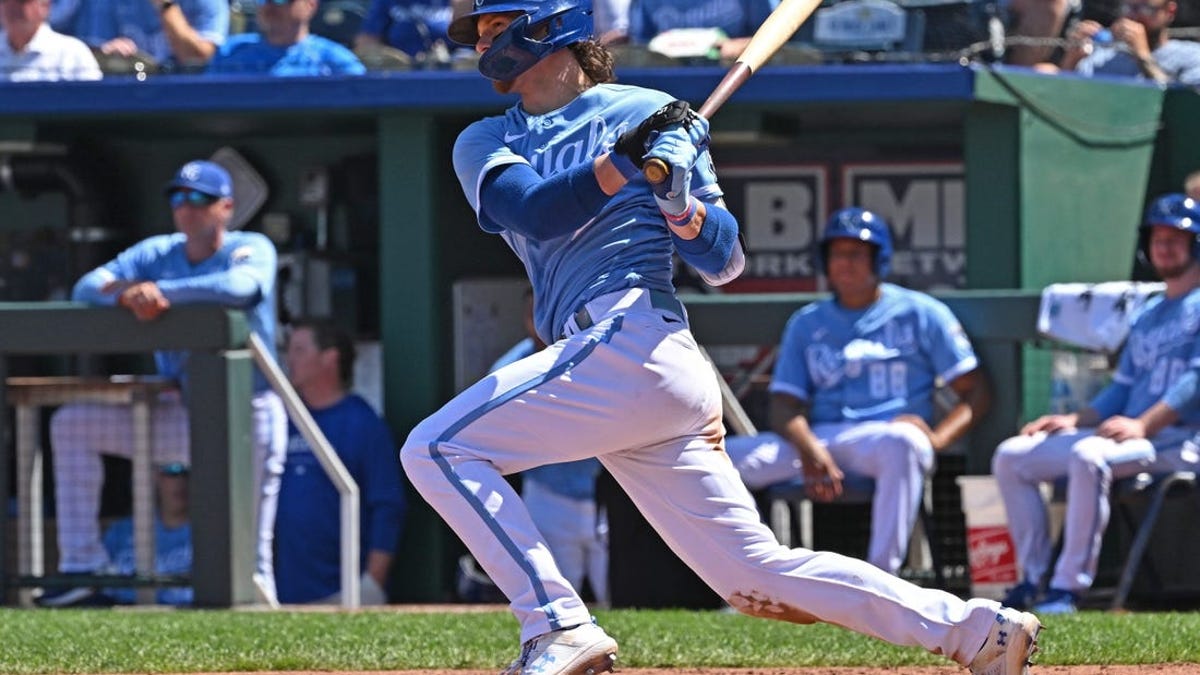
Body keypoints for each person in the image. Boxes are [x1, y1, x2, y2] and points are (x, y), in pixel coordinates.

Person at [399, 1, 1040, 674]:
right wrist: (625, 162)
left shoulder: (649, 109)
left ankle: (555, 621)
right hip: (618, 369)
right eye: (482, 34)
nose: (484, 44)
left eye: (499, 26)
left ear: (549, 25)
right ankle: (975, 630)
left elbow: (725, 260)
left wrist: (680, 202)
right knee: (754, 576)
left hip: (633, 336)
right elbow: (530, 210)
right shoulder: (486, 137)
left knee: (436, 447)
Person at [39, 159, 287, 608]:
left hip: (246, 411)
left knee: (251, 557)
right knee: (72, 424)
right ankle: (83, 567)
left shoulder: (251, 246)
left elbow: (241, 288)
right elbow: (86, 288)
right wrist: (128, 293)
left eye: (200, 199)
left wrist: (161, 294)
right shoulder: (158, 253)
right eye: (178, 198)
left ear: (226, 207)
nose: (187, 208)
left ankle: (256, 626)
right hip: (182, 409)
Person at [725, 207, 992, 577]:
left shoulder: (921, 313)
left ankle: (881, 580)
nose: (844, 263)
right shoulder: (807, 322)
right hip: (820, 439)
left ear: (878, 258)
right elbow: (784, 406)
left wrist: (936, 440)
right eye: (837, 253)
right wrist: (811, 451)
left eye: (855, 254)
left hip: (882, 438)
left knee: (906, 444)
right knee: (720, 459)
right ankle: (743, 578)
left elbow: (975, 390)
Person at [993, 193, 1200, 615]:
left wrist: (1144, 424)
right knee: (1012, 456)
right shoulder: (1150, 311)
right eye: (1158, 237)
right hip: (1133, 437)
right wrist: (1073, 418)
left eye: (1177, 238)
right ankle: (1033, 580)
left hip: (1180, 439)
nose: (1165, 246)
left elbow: (1195, 382)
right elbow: (1120, 389)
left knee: (1090, 456)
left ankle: (1067, 590)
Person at [274, 318, 406, 605]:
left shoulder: (363, 423)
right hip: (281, 594)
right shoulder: (280, 420)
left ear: (330, 358)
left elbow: (388, 506)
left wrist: (371, 583)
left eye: (299, 350)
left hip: (343, 592)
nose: (288, 359)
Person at [488, 292, 608, 605]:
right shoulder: (510, 367)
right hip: (548, 495)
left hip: (607, 492)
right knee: (556, 602)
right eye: (533, 313)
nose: (539, 321)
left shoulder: (599, 349)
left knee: (622, 598)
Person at [100, 462, 194, 606]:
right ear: (155, 477)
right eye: (172, 471)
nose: (181, 481)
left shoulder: (212, 534)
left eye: (187, 473)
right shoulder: (120, 532)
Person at [1046, 0, 1200, 84]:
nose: (1136, 17)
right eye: (1130, 8)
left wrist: (1142, 56)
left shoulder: (1192, 55)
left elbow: (1181, 104)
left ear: (1169, 12)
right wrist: (1071, 60)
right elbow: (1064, 99)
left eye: (1146, 9)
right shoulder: (1102, 57)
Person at [206, 0, 365, 75]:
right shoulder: (229, 54)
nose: (269, 5)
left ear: (310, 5)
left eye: (280, 0)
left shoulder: (335, 61)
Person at [73, 0, 229, 69]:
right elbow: (89, 57)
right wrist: (107, 54)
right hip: (127, 96)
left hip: (188, 98)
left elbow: (195, 59)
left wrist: (165, 5)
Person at [626, 0, 778, 60]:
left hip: (736, 81)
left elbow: (776, 37)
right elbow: (641, 45)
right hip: (668, 85)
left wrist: (743, 46)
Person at [0, 0, 101, 80]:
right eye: (4, 1)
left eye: (21, 1)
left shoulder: (72, 53)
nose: (11, 7)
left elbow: (94, 101)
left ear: (45, 6)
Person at [353, 0, 453, 61]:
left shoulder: (460, 2)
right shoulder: (387, 2)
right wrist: (399, 60)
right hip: (402, 73)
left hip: (454, 70)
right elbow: (366, 43)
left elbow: (467, 43)